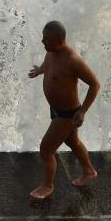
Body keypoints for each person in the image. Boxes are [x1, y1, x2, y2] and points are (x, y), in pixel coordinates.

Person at [28, 20, 100, 199]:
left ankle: (48, 185)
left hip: (67, 115)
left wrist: (82, 111)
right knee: (73, 143)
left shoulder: (72, 60)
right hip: (56, 110)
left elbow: (95, 84)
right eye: (43, 38)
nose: (42, 42)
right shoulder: (51, 52)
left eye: (46, 39)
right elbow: (48, 67)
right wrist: (39, 71)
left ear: (59, 40)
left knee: (46, 149)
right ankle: (89, 171)